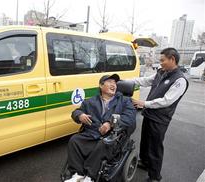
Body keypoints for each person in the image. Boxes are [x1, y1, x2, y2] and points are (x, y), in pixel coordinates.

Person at [65, 74, 136, 182]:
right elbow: (76, 112)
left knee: (104, 144)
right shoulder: (91, 101)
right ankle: (77, 174)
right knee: (74, 140)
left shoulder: (125, 101)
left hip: (113, 136)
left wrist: (110, 123)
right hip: (92, 134)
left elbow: (129, 117)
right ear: (101, 86)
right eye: (110, 82)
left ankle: (90, 177)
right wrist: (80, 115)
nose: (114, 85)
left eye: (115, 83)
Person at [132, 48, 189, 182]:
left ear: (172, 59)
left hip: (160, 119)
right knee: (145, 141)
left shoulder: (180, 80)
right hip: (149, 114)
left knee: (155, 147)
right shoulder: (161, 72)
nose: (160, 63)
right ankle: (145, 162)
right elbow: (145, 81)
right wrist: (123, 80)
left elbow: (166, 101)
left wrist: (143, 103)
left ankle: (155, 177)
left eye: (163, 60)